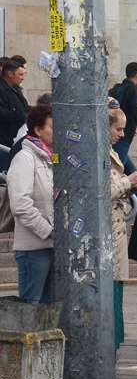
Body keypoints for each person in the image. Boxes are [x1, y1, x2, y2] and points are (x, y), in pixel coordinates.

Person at [109, 105, 137, 379]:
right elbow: (97, 190)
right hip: (108, 241)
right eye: (118, 129)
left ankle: (109, 374)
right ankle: (104, 375)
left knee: (115, 312)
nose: (122, 134)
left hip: (115, 236)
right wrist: (127, 183)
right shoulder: (99, 154)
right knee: (108, 310)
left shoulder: (112, 155)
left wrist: (130, 188)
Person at [10, 105, 54, 303]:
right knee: (31, 306)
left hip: (51, 245)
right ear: (38, 130)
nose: (58, 132)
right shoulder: (25, 158)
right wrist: (48, 230)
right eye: (53, 127)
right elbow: (20, 204)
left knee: (49, 307)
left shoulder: (51, 159)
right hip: (33, 248)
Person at [0, 57, 30, 161]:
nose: (22, 78)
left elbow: (24, 107)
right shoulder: (2, 89)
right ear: (10, 74)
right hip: (4, 139)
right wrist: (18, 115)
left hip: (17, 138)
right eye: (20, 75)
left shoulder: (16, 89)